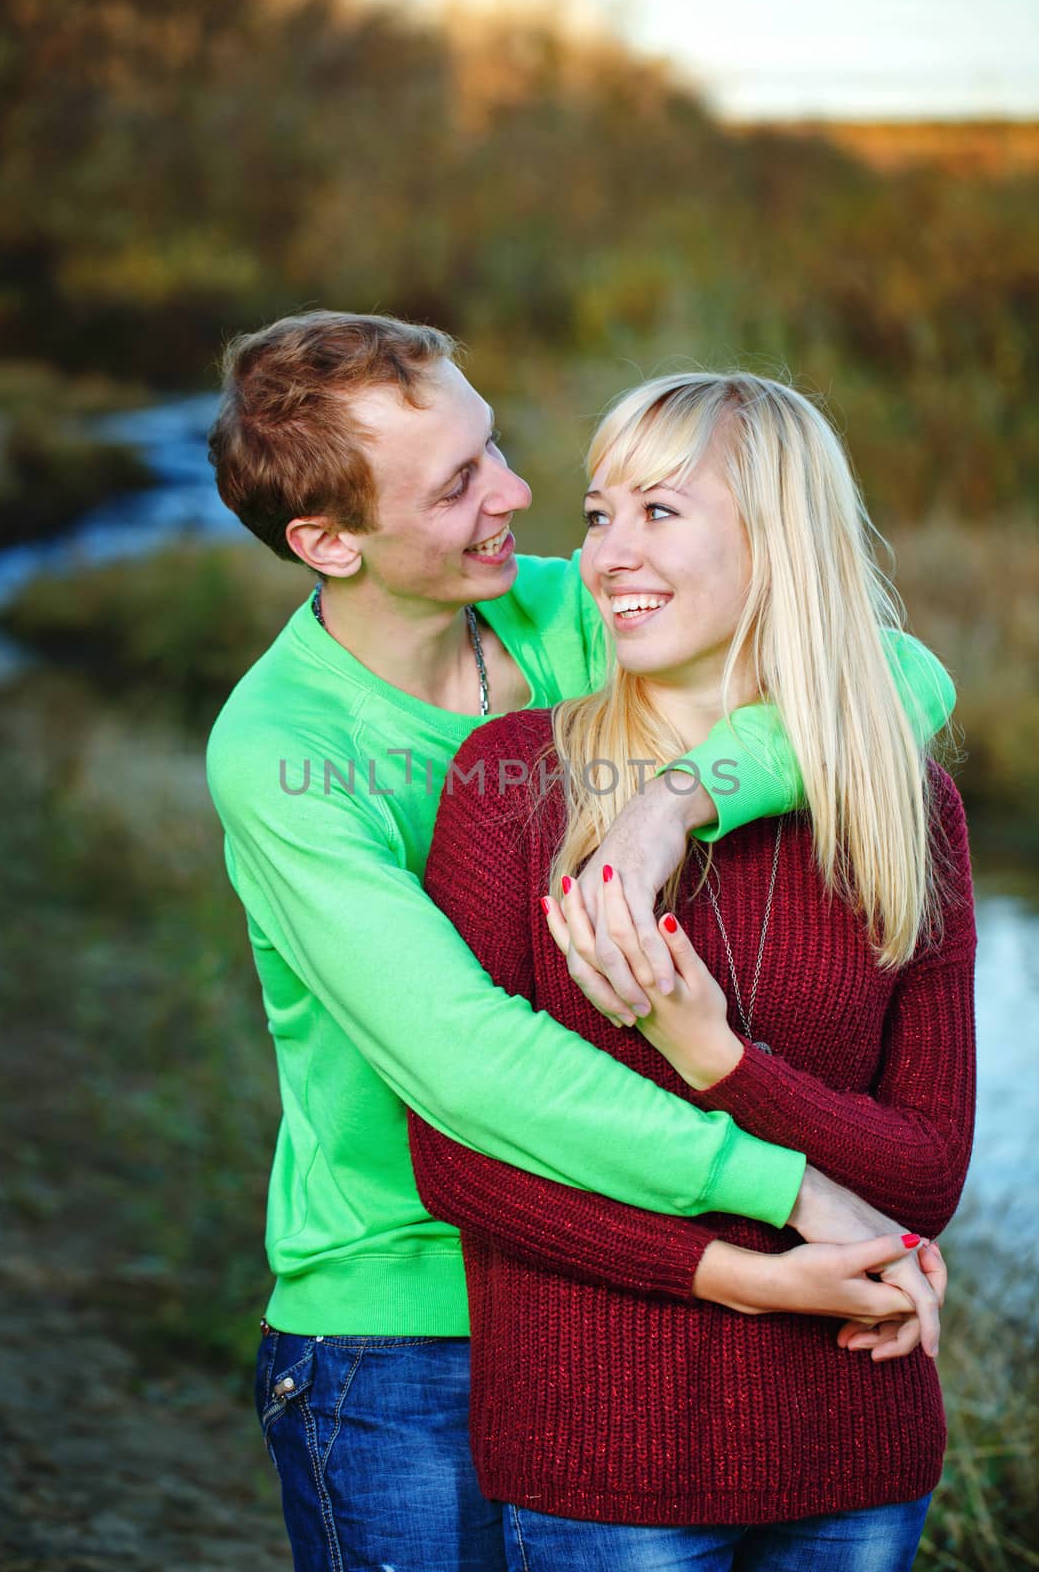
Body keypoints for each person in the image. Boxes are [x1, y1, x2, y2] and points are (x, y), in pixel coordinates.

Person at [205, 314, 954, 1572]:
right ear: (328, 543)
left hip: (619, 1298)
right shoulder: (284, 757)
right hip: (409, 1325)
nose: (514, 493)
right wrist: (786, 1186)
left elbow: (886, 673)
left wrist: (681, 797)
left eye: (491, 445)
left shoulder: (561, 619)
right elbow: (469, 1065)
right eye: (457, 486)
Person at [409, 370, 976, 1570]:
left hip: (856, 1462)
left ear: (779, 542)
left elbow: (922, 1177)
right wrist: (742, 1272)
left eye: (660, 512)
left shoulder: (898, 804)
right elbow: (458, 1163)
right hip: (602, 1468)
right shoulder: (510, 787)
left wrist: (712, 1055)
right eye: (599, 511)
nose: (610, 553)